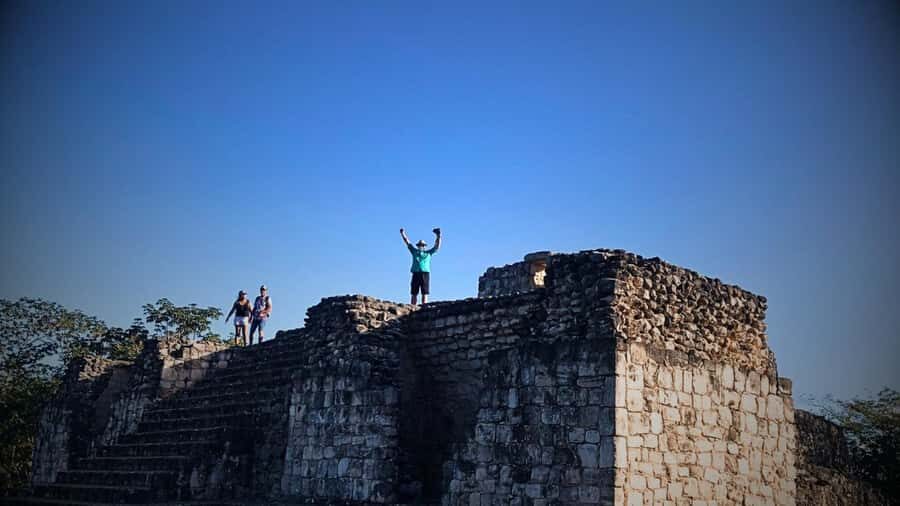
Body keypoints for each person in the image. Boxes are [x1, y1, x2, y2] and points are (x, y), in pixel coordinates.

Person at [400, 227, 441, 305]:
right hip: (416, 273)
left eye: (422, 245)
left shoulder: (428, 253)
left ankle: (424, 306)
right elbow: (407, 242)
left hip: (425, 273)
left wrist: (438, 236)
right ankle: (412, 306)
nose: (421, 246)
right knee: (414, 292)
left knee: (424, 292)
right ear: (418, 246)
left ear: (425, 246)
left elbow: (437, 246)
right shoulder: (414, 251)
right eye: (419, 245)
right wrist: (403, 234)